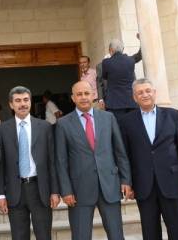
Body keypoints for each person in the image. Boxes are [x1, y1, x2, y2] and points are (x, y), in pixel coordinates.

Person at [55, 80, 131, 240]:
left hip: (109, 186)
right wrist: (66, 190)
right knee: (80, 236)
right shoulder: (63, 124)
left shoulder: (108, 118)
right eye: (79, 94)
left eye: (86, 93)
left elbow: (120, 152)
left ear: (93, 95)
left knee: (116, 235)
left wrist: (125, 180)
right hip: (79, 191)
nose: (83, 97)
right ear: (73, 98)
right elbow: (61, 161)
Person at [119, 78, 178, 240]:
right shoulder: (126, 121)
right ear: (134, 97)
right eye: (140, 92)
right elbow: (126, 155)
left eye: (148, 91)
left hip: (173, 183)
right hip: (144, 186)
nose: (145, 95)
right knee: (150, 233)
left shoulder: (173, 115)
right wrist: (128, 182)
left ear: (154, 93)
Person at [0, 86, 60, 240]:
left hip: (40, 190)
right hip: (15, 191)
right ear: (11, 104)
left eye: (25, 100)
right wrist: (0, 194)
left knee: (44, 235)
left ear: (30, 102)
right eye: (18, 101)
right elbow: (0, 165)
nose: (22, 104)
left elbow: (52, 161)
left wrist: (55, 191)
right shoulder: (2, 129)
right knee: (19, 236)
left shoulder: (44, 127)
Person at [101, 39, 139, 119]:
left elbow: (104, 77)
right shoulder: (130, 60)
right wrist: (140, 39)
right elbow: (140, 55)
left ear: (110, 50)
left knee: (118, 125)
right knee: (132, 124)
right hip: (131, 101)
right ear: (123, 49)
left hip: (114, 103)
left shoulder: (106, 62)